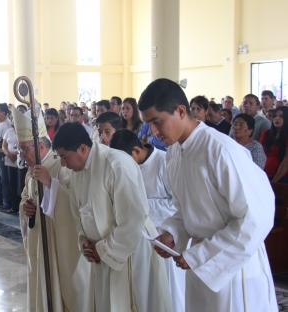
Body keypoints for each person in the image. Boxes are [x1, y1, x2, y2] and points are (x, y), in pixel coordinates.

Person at [138, 78, 277, 312]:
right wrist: (172, 234)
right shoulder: (174, 154)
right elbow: (185, 209)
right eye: (148, 124)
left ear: (181, 111)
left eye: (157, 122)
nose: (153, 132)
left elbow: (255, 218)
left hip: (234, 268)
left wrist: (201, 255)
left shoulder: (221, 150)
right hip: (200, 265)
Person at [51, 122, 172, 311]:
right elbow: (79, 214)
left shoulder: (117, 164)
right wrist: (84, 241)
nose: (63, 164)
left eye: (64, 157)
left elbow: (133, 219)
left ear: (82, 148)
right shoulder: (77, 172)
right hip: (102, 254)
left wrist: (103, 250)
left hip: (129, 252)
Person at [12, 107, 86, 311]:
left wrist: (50, 183)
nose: (21, 154)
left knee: (55, 285)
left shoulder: (60, 166)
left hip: (56, 244)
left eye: (25, 148)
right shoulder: (30, 171)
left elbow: (74, 204)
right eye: (20, 149)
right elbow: (26, 199)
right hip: (37, 241)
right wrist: (25, 208)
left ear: (41, 146)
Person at [110, 129, 185, 312]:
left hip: (165, 240)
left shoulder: (164, 162)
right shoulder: (125, 167)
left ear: (136, 151)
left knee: (168, 292)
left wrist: (143, 207)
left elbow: (179, 205)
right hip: (140, 241)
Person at [260, 107, 288, 183]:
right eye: (275, 116)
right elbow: (260, 154)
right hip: (264, 173)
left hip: (282, 176)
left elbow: (286, 162)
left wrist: (274, 182)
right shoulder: (266, 133)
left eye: (281, 116)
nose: (277, 119)